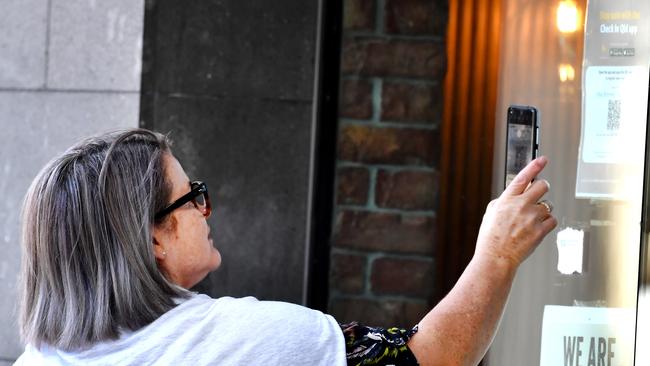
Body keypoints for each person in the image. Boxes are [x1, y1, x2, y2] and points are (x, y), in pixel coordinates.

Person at [14, 128, 556, 366]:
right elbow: (428, 360)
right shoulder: (250, 345)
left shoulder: (39, 360)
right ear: (153, 236)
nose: (206, 209)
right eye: (191, 196)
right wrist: (498, 254)